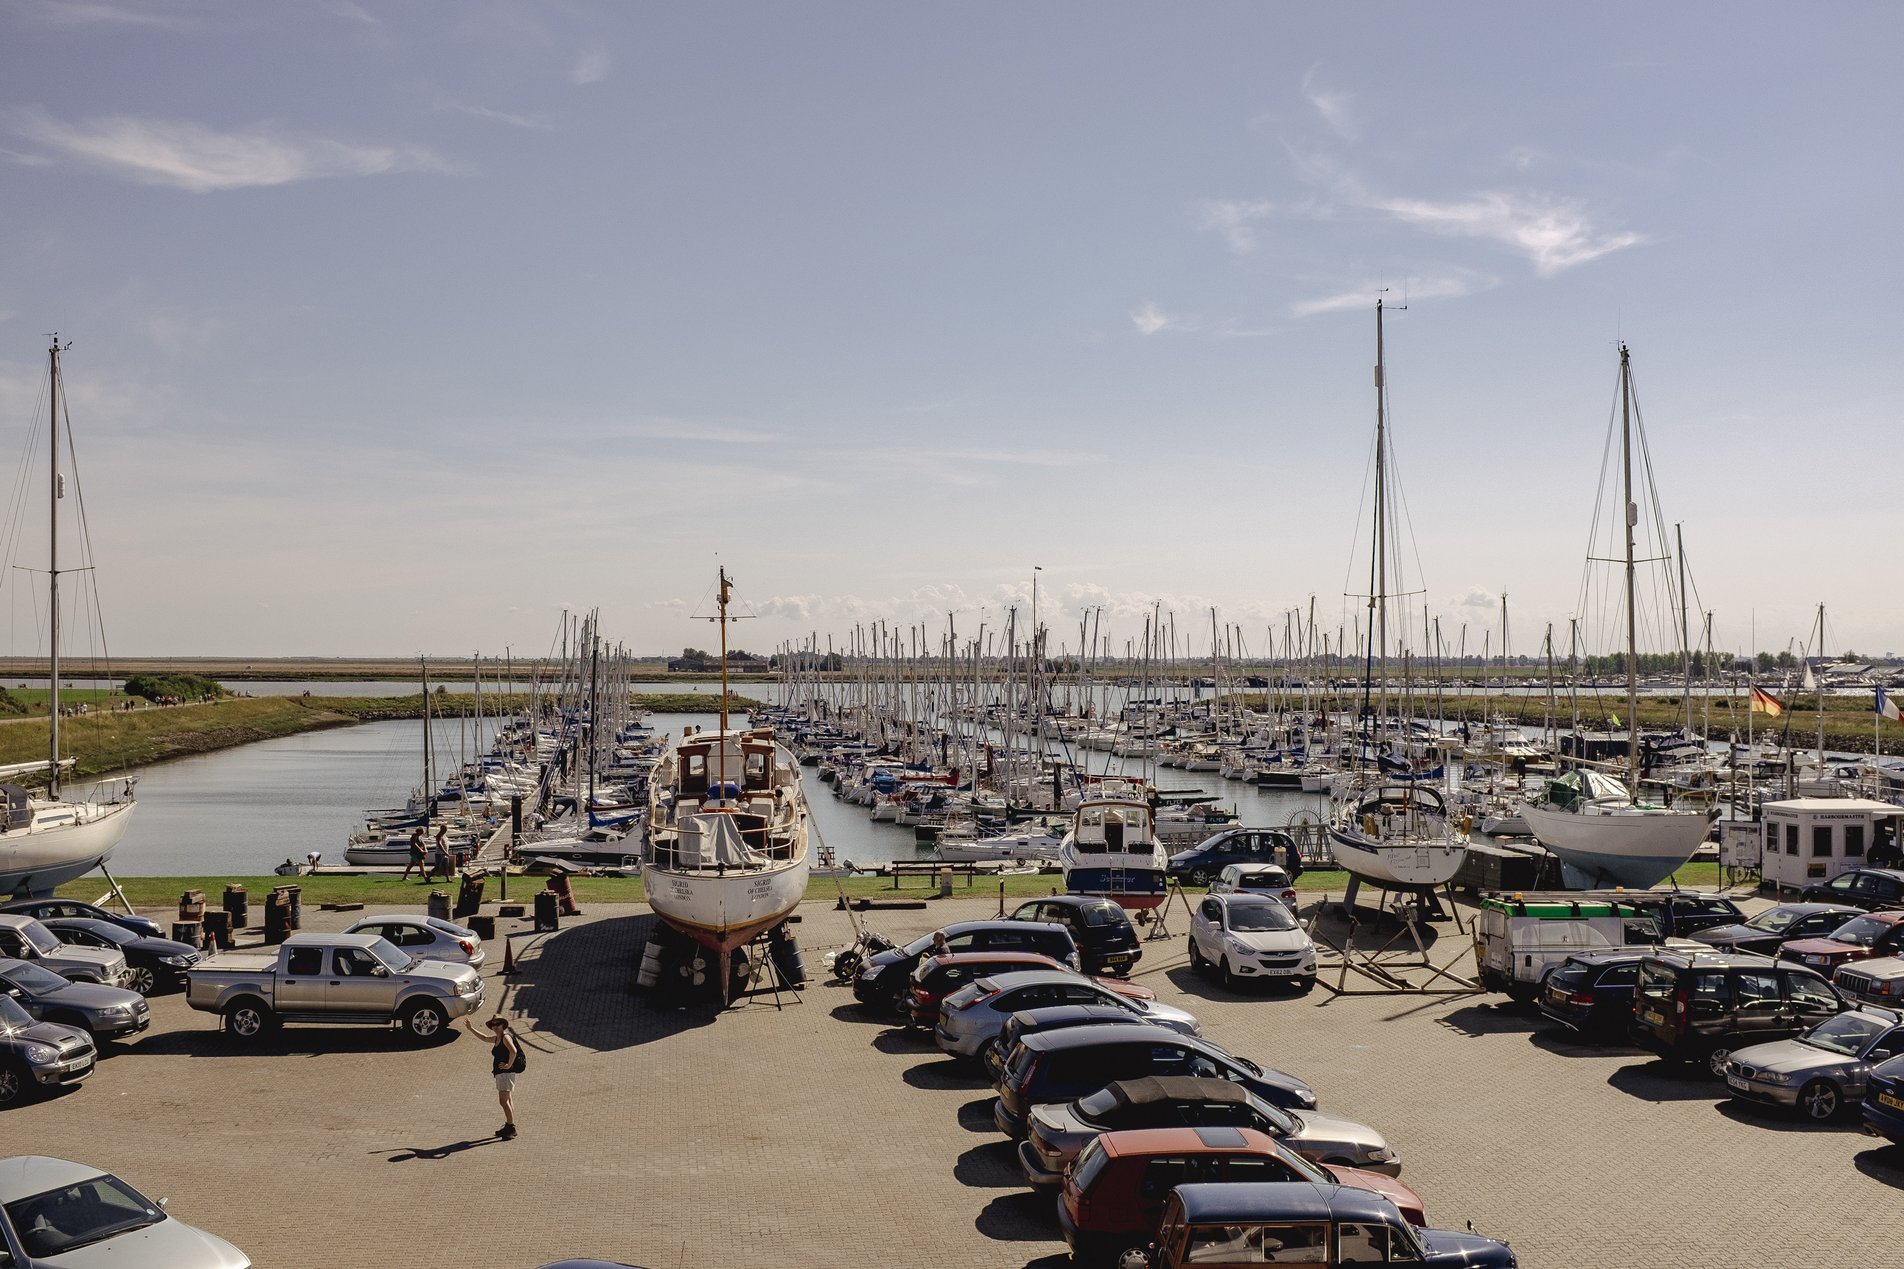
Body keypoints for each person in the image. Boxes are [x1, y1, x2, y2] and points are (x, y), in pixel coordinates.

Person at [466, 1014, 523, 1139]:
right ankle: (509, 1125)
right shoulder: (498, 1038)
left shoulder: (505, 1037)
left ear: (503, 1025)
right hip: (502, 1074)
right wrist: (471, 1029)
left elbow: (514, 1051)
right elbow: (485, 1038)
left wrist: (508, 1065)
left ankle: (511, 1127)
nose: (495, 1027)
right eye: (493, 1025)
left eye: (498, 1024)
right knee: (508, 1099)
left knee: (503, 1101)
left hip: (505, 1074)